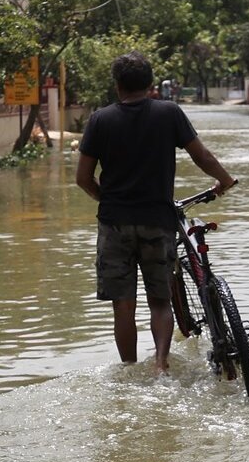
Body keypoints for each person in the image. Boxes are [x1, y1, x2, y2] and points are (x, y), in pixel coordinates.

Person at [76, 51, 237, 375]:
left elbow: (83, 178)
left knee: (123, 306)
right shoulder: (169, 113)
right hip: (158, 221)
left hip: (114, 224)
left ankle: (129, 369)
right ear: (151, 84)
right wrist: (224, 180)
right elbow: (202, 156)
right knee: (161, 301)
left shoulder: (100, 120)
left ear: (117, 85)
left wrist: (107, 200)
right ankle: (161, 364)